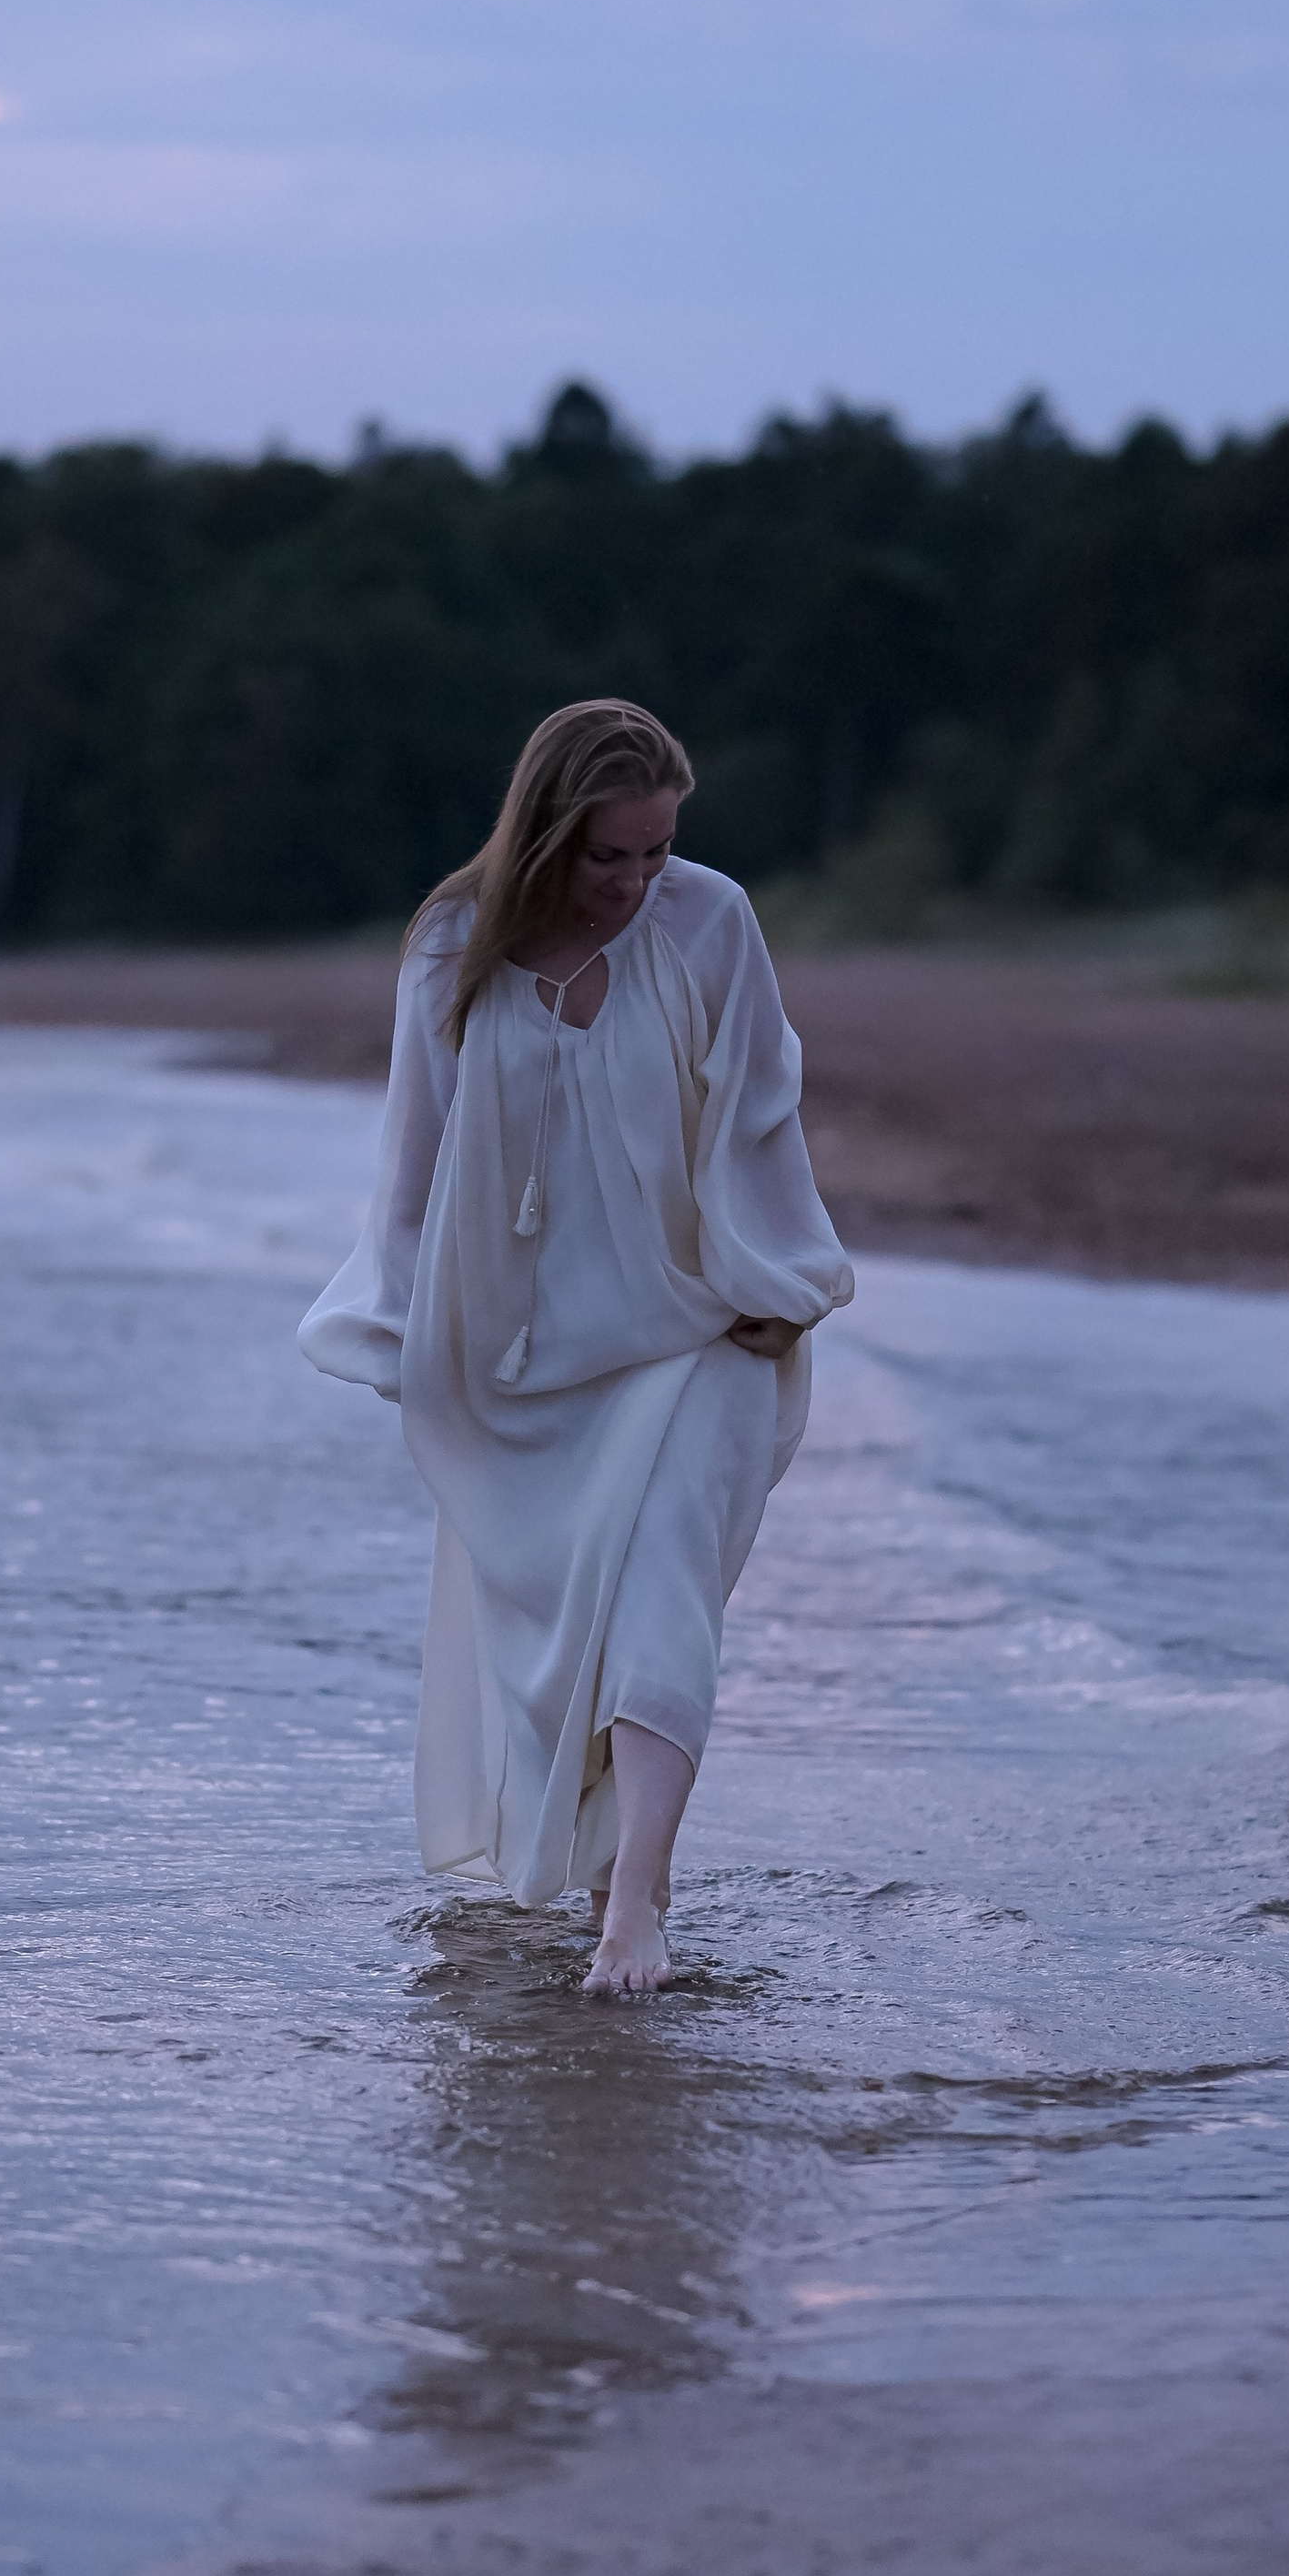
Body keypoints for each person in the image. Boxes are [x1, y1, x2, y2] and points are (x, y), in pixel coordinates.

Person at [299, 699, 853, 1997]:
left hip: (707, 1323)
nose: (635, 881)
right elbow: (410, 1167)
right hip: (525, 1360)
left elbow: (762, 1105)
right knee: (560, 1647)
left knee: (663, 1596)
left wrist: (785, 1278)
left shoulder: (711, 921)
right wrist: (400, 1342)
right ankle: (613, 1886)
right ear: (548, 834)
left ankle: (636, 1913)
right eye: (610, 856)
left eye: (656, 851)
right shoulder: (451, 946)